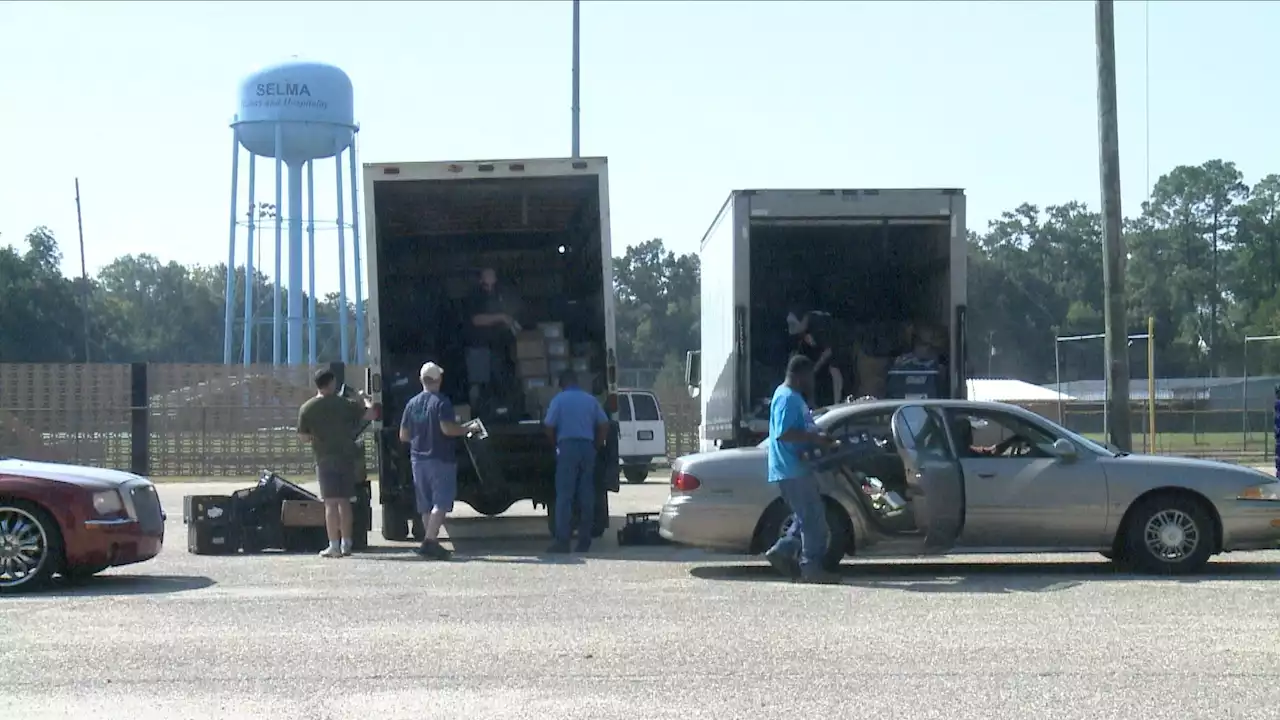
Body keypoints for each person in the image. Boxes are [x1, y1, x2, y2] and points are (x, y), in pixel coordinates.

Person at [762, 354, 842, 584]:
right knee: (814, 519)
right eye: (810, 376)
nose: (812, 381)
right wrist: (815, 439)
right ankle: (811, 568)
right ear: (800, 376)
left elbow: (801, 428)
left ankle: (782, 550)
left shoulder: (791, 396)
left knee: (806, 516)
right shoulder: (787, 398)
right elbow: (785, 433)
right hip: (791, 469)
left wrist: (820, 436)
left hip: (795, 468)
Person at [297, 368, 376, 558]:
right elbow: (371, 414)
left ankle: (333, 545)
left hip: (324, 459)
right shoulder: (344, 404)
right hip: (346, 458)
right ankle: (347, 543)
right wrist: (364, 398)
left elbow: (303, 437)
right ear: (331, 383)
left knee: (330, 504)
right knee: (345, 502)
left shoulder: (307, 408)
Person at [399, 362, 475, 560]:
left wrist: (420, 436)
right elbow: (447, 429)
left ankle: (430, 540)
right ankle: (430, 542)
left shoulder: (411, 404)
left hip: (418, 459)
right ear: (439, 379)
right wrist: (467, 429)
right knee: (441, 502)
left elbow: (403, 435)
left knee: (425, 504)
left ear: (421, 380)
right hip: (440, 457)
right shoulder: (441, 402)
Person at [543, 369, 609, 554]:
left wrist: (555, 443)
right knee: (586, 494)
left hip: (567, 447)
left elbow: (549, 426)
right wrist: (596, 445)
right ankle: (584, 540)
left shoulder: (559, 400)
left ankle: (563, 541)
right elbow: (604, 425)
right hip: (587, 447)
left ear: (562, 384)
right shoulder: (590, 400)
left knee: (564, 496)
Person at [465, 267, 519, 414]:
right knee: (482, 386)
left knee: (502, 381)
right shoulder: (475, 296)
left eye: (493, 276)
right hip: (480, 348)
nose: (491, 279)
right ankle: (481, 415)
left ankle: (503, 412)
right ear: (481, 279)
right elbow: (476, 319)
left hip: (499, 348)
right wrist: (501, 317)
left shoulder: (500, 294)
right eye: (487, 276)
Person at [787, 310, 853, 407]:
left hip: (837, 350)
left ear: (803, 320)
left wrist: (815, 368)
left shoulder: (819, 324)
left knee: (834, 370)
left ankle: (837, 403)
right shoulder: (804, 333)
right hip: (820, 356)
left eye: (793, 324)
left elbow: (828, 351)